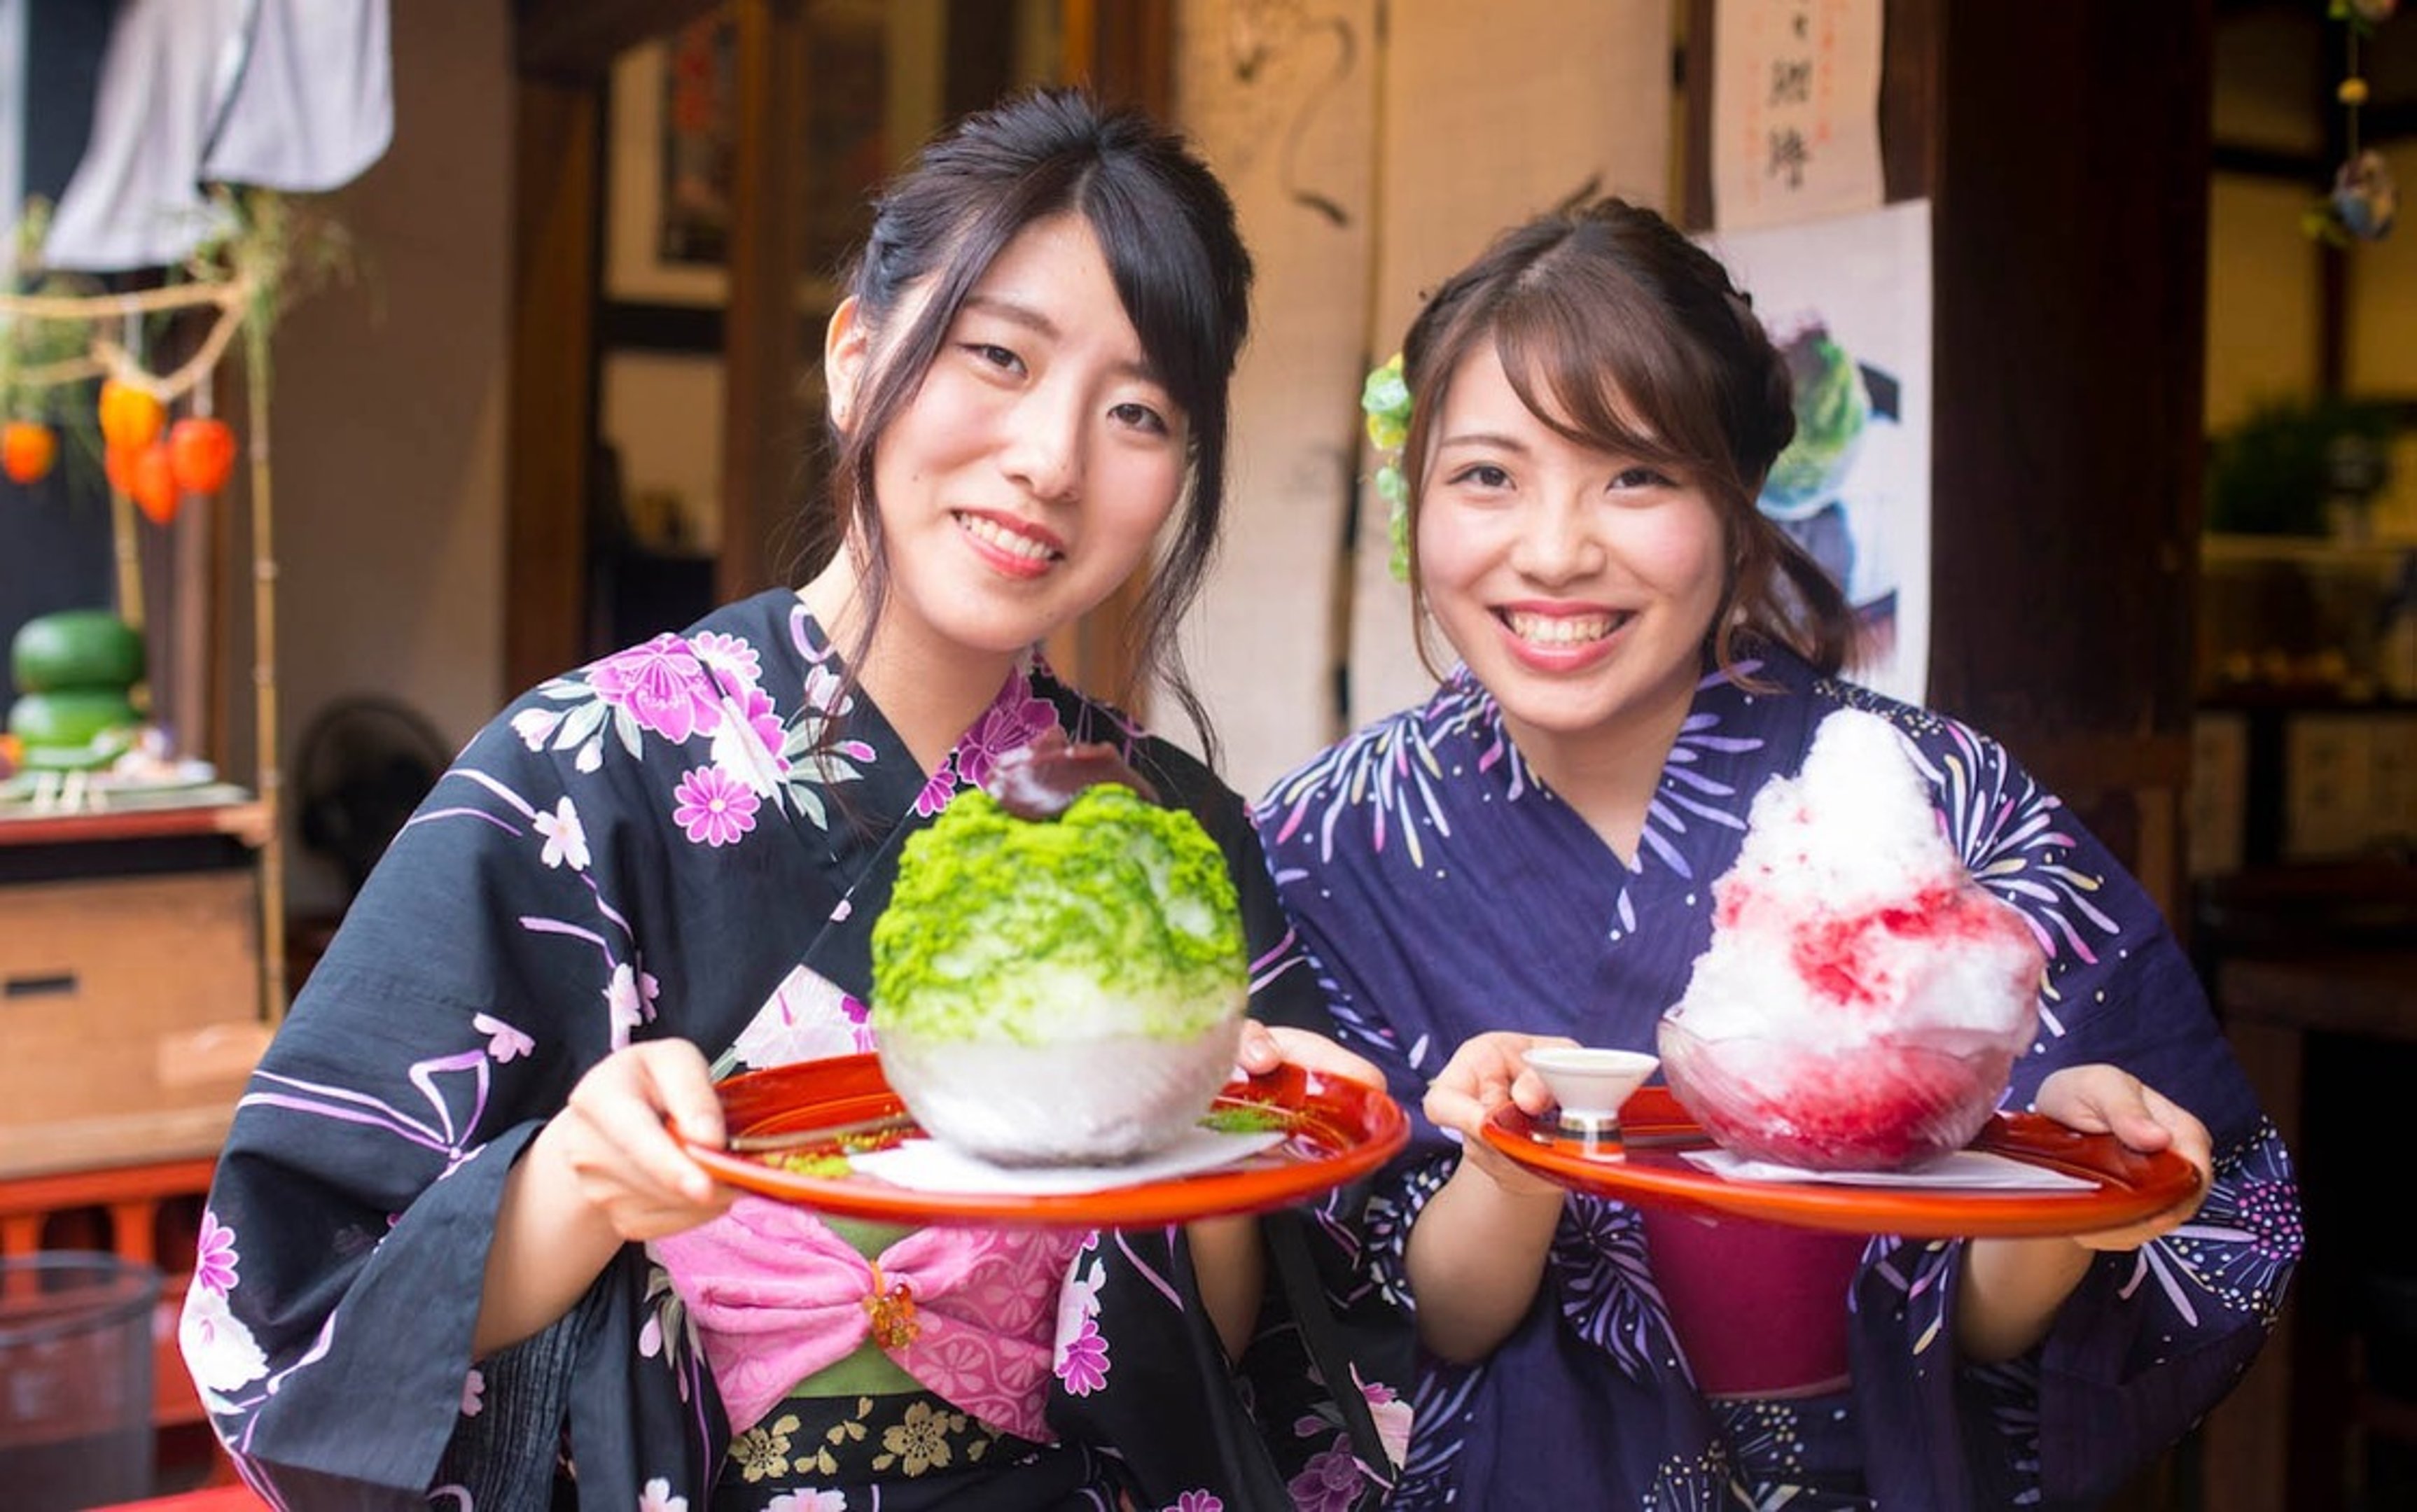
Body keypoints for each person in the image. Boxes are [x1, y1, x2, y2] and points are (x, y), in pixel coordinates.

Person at [183, 89, 1406, 1511]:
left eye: (1137, 411)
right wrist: (579, 1181)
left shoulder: (1173, 838)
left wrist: (1221, 1147)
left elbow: (1272, 1381)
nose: (1051, 458)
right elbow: (285, 1321)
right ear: (856, 358)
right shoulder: (578, 773)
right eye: (996, 355)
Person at [1253, 197, 2303, 1508]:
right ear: (1415, 501)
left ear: (1735, 495)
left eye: (1635, 474)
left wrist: (2062, 1191)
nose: (1557, 549)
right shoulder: (1324, 845)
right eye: (1488, 475)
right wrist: (1504, 1171)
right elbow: (1390, 1334)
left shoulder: (1941, 803)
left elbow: (2000, 1331)